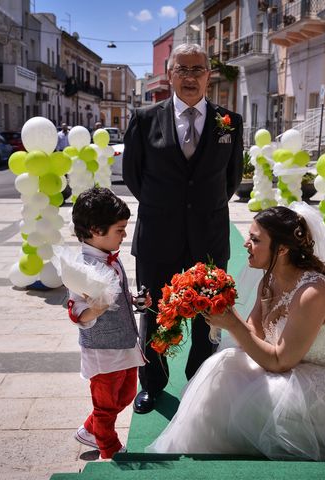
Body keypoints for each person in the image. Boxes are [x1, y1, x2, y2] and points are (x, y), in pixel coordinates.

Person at [147, 205, 325, 464]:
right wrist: (216, 310)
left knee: (253, 392)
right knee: (224, 365)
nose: (247, 244)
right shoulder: (269, 279)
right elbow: (253, 333)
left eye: (255, 239)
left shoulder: (312, 293)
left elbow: (280, 362)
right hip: (302, 364)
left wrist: (232, 324)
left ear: (281, 250)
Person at [122, 43, 243, 414]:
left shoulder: (230, 122)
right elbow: (133, 176)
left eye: (198, 69)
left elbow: (231, 180)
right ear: (170, 75)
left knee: (210, 314)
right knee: (155, 313)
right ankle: (154, 385)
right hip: (158, 236)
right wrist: (167, 209)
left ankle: (200, 382)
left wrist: (200, 210)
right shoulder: (145, 119)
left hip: (208, 236)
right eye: (182, 69)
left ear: (209, 75)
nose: (190, 76)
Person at [67, 186, 152, 460]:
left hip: (125, 342)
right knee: (105, 406)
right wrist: (95, 309)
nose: (125, 235)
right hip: (103, 350)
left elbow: (119, 296)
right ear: (95, 229)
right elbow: (76, 311)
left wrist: (136, 301)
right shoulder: (81, 268)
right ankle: (109, 449)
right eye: (120, 229)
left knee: (126, 394)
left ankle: (90, 430)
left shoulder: (110, 259)